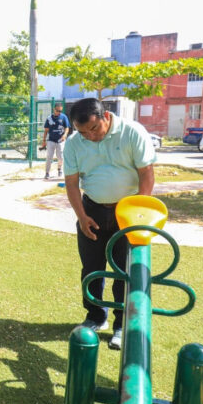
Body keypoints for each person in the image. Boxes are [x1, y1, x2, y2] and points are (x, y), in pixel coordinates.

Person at [63, 98, 156, 351]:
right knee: (91, 268)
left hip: (127, 212)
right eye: (83, 132)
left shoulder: (132, 132)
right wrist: (82, 217)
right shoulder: (74, 143)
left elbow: (147, 174)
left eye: (93, 129)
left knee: (124, 272)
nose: (89, 136)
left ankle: (121, 325)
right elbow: (71, 184)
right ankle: (95, 316)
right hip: (91, 209)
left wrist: (138, 215)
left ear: (105, 116)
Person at [42, 103, 70, 179]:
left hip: (60, 140)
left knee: (60, 157)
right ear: (54, 109)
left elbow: (67, 128)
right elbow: (46, 130)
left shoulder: (63, 117)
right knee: (49, 157)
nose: (59, 112)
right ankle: (47, 173)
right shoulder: (49, 118)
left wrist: (65, 134)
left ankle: (59, 169)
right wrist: (44, 140)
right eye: (58, 110)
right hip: (51, 140)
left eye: (60, 111)